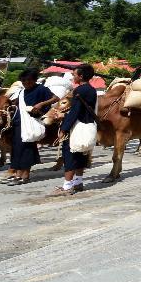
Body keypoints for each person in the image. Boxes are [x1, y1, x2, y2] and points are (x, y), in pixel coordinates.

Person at [2, 69, 58, 186]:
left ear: (34, 80)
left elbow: (55, 98)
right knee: (17, 149)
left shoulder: (41, 89)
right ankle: (17, 173)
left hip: (31, 121)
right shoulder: (22, 92)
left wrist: (41, 104)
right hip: (19, 123)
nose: (26, 83)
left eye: (29, 81)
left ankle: (25, 175)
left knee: (26, 148)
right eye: (23, 81)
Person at [51, 64, 98, 196]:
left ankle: (67, 187)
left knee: (70, 155)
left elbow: (75, 112)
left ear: (81, 76)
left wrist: (64, 128)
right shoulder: (91, 90)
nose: (73, 76)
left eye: (74, 74)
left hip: (76, 128)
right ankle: (78, 182)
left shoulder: (79, 91)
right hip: (87, 125)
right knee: (80, 155)